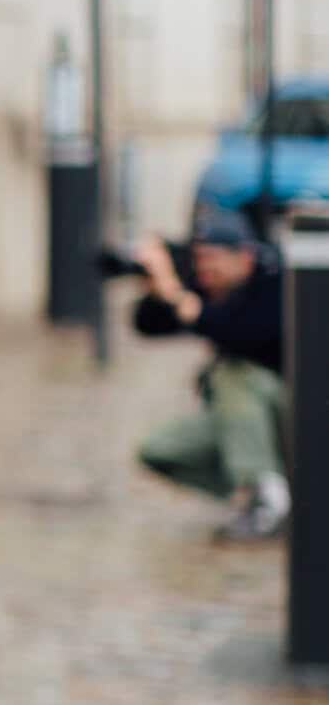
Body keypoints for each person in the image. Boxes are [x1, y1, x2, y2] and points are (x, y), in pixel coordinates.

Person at [126, 216, 288, 541]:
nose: (205, 268)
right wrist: (155, 289)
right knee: (159, 450)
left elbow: (236, 333)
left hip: (292, 416)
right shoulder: (212, 286)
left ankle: (264, 496)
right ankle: (263, 493)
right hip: (244, 424)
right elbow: (149, 325)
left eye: (213, 258)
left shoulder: (274, 285)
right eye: (199, 258)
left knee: (234, 372)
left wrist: (176, 293)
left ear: (244, 257)